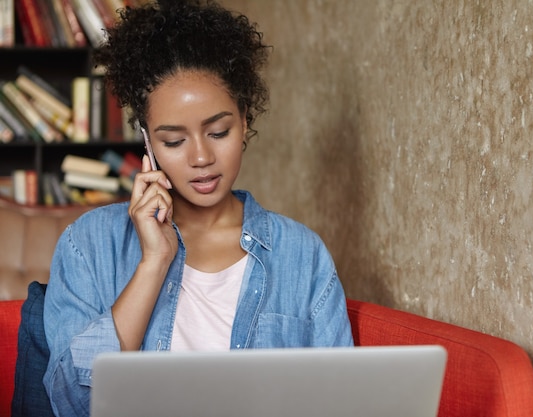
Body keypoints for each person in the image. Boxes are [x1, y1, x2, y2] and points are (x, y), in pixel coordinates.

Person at [42, 1, 354, 415]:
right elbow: (72, 404)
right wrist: (153, 262)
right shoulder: (88, 244)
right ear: (147, 141)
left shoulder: (302, 255)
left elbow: (345, 400)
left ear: (245, 120)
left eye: (219, 131)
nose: (201, 156)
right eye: (173, 141)